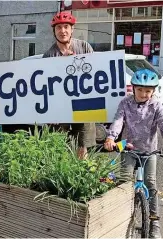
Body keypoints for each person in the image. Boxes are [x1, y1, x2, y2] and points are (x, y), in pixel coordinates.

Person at [104, 69, 163, 239]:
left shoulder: (156, 105)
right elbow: (117, 121)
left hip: (149, 149)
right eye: (140, 90)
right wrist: (110, 138)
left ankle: (154, 224)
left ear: (153, 91)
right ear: (134, 88)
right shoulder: (125, 103)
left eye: (148, 91)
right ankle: (122, 219)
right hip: (127, 147)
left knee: (150, 184)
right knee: (124, 182)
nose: (144, 94)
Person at [43, 11, 96, 158]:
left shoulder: (84, 47)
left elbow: (96, 75)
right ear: (54, 31)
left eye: (66, 26)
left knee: (82, 145)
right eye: (58, 28)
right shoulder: (49, 55)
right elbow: (46, 86)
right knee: (59, 146)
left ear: (72, 29)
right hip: (60, 107)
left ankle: (80, 176)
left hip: (83, 103)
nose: (62, 31)